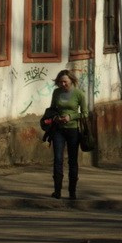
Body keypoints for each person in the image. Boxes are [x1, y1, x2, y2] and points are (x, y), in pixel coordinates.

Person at [46, 70, 88, 201]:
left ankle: (72, 192)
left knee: (72, 161)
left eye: (65, 82)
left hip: (73, 130)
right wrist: (56, 117)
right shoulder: (56, 93)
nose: (63, 84)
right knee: (58, 159)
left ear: (71, 81)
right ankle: (57, 191)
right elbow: (52, 109)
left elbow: (85, 113)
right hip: (58, 130)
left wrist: (71, 116)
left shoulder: (79, 94)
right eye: (60, 82)